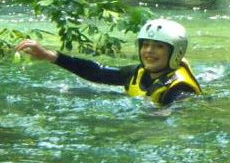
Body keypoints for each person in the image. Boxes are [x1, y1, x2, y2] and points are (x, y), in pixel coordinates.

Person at [14, 19, 202, 106]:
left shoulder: (179, 90)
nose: (149, 51)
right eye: (145, 45)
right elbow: (99, 72)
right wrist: (51, 56)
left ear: (175, 52)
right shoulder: (139, 72)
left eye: (159, 47)